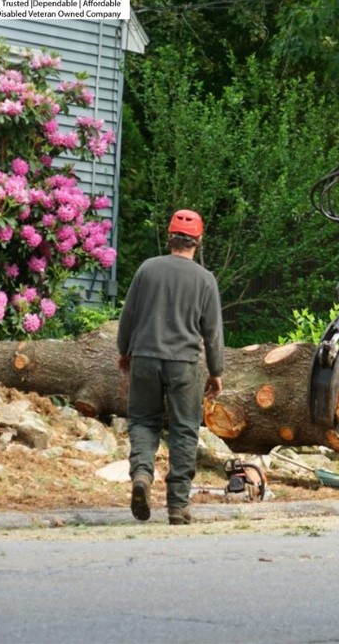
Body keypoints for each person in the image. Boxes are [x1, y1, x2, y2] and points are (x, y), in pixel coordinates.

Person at [116, 209, 225, 525]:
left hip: (145, 358)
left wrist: (124, 351)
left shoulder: (147, 269)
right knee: (184, 429)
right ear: (198, 241)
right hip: (184, 364)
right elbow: (213, 331)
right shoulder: (205, 279)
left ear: (169, 238)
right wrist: (216, 372)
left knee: (143, 421)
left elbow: (128, 316)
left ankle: (142, 475)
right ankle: (177, 505)